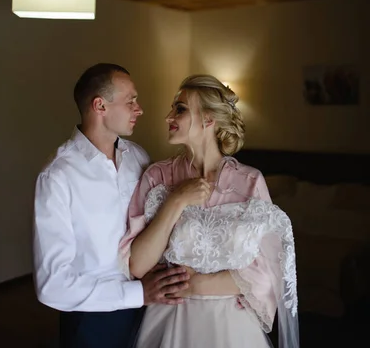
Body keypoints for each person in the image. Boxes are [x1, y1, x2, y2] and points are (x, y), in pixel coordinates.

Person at [120, 74, 299, 348]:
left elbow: (267, 269)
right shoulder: (157, 176)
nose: (169, 116)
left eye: (179, 109)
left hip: (232, 325)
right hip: (170, 321)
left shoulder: (249, 181)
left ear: (208, 119)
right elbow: (138, 265)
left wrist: (196, 286)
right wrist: (176, 201)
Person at [33, 63, 190, 348]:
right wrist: (137, 293)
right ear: (100, 106)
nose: (139, 109)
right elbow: (51, 285)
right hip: (92, 321)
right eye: (130, 100)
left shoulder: (139, 158)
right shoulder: (58, 176)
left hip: (151, 308)